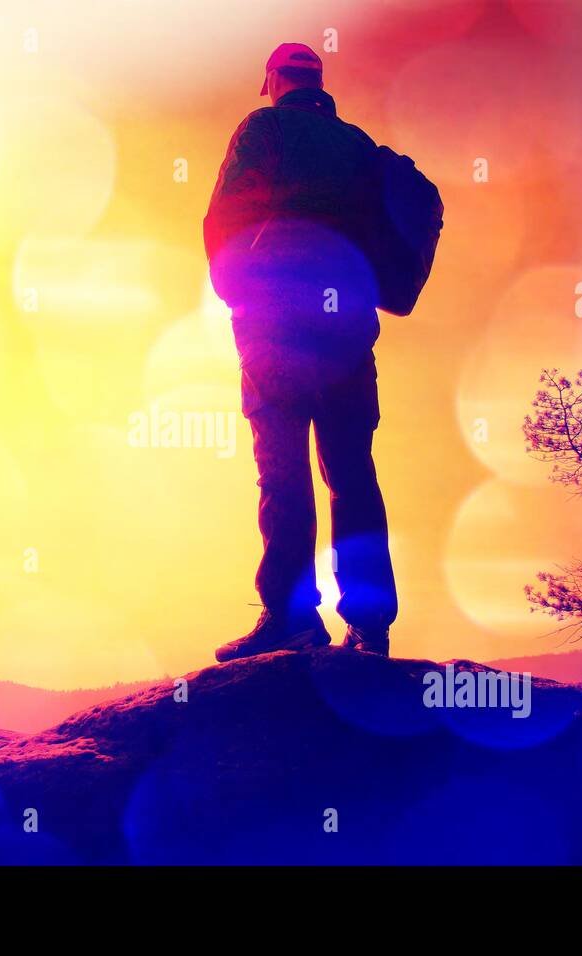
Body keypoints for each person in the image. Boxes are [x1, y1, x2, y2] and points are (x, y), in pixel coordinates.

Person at [205, 42, 398, 662]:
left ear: (273, 81)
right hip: (347, 331)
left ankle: (290, 619)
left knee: (283, 470)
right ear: (319, 84)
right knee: (351, 472)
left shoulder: (264, 128)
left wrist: (239, 297)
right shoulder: (358, 145)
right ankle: (369, 627)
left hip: (277, 323)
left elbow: (227, 215)